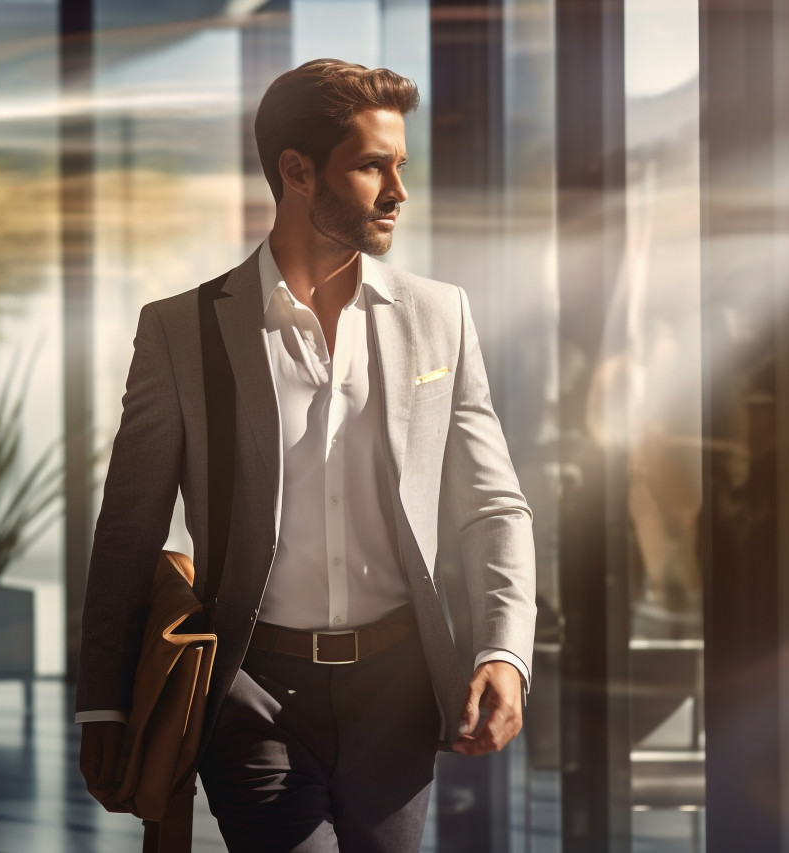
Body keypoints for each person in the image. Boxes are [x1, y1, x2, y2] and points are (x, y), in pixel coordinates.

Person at [75, 58, 536, 852]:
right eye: (371, 167)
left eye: (401, 166)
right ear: (295, 171)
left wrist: (504, 649)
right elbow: (128, 530)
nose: (398, 191)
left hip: (399, 689)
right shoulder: (181, 333)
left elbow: (494, 503)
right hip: (253, 693)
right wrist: (104, 703)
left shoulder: (440, 318)